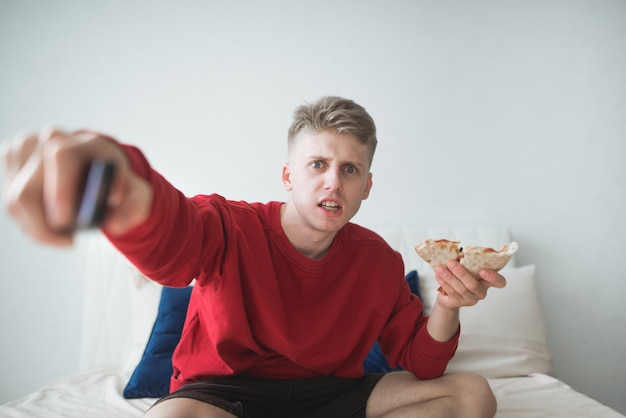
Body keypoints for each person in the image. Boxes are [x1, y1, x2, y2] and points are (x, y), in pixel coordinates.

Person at [2, 96, 504, 418]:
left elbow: (418, 363)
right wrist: (118, 182)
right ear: (289, 175)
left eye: (350, 169)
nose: (333, 180)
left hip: (328, 396)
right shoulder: (227, 225)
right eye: (318, 164)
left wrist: (447, 304)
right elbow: (171, 243)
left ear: (367, 185)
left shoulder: (378, 261)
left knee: (470, 395)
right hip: (223, 396)